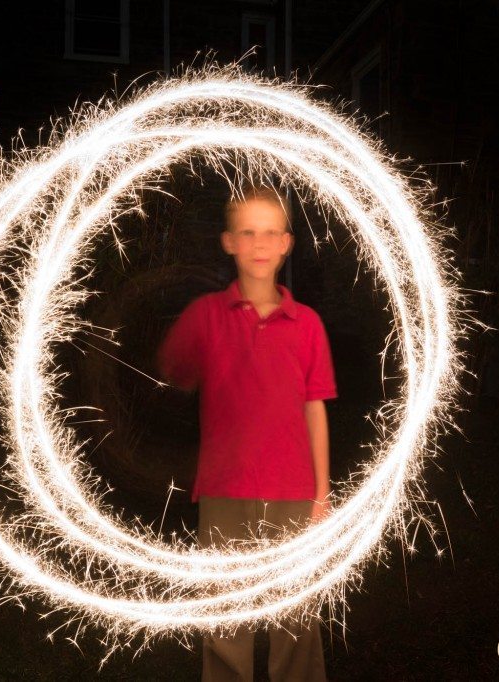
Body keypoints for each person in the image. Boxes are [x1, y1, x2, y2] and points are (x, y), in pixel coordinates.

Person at [156, 185, 337, 682]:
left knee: (295, 617)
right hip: (224, 489)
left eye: (271, 233)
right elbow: (173, 371)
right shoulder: (206, 316)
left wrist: (321, 492)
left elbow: (314, 407)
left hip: (293, 493)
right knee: (227, 617)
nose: (260, 243)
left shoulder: (308, 325)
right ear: (229, 242)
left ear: (286, 243)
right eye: (248, 232)